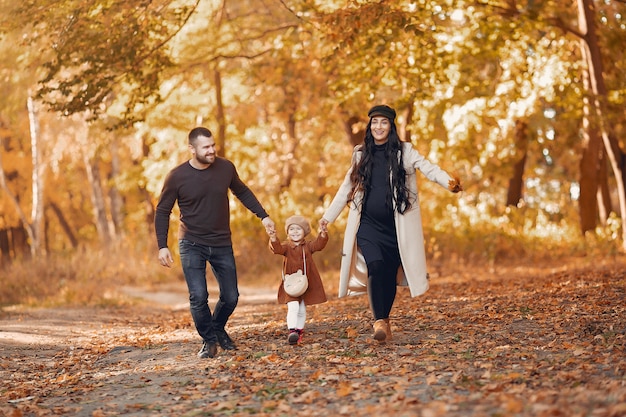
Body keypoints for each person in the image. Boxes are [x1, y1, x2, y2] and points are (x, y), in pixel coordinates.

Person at [319, 104, 462, 343]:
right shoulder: (360, 153)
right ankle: (379, 321)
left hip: (397, 228)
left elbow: (428, 168)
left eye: (383, 122)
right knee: (375, 266)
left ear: (391, 126)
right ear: (370, 126)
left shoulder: (405, 151)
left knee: (389, 272)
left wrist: (448, 182)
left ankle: (385, 319)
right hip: (367, 224)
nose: (378, 127)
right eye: (374, 122)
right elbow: (346, 187)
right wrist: (328, 217)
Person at [155, 126, 275, 359]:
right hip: (191, 242)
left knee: (231, 296)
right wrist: (162, 245)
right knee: (198, 296)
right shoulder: (177, 176)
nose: (212, 150)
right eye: (206, 147)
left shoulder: (225, 168)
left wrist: (264, 215)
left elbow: (242, 191)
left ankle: (218, 327)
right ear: (192, 149)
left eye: (213, 145)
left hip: (221, 242)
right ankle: (209, 341)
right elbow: (162, 211)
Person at [268, 215, 328, 345]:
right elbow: (276, 249)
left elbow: (319, 245)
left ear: (305, 232)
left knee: (301, 309)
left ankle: (299, 331)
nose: (295, 232)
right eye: (292, 229)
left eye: (298, 229)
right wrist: (273, 237)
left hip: (305, 283)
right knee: (293, 306)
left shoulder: (308, 246)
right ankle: (292, 331)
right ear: (287, 232)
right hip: (291, 284)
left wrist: (323, 233)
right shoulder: (286, 247)